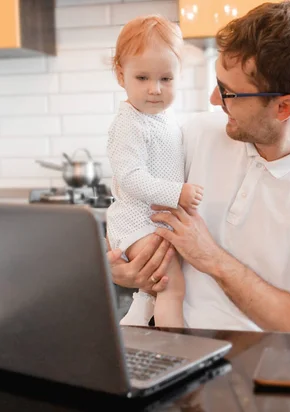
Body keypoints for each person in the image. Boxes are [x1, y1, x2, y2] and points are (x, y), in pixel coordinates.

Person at [107, 1, 290, 334]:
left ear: (283, 107)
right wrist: (119, 266)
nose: (214, 101)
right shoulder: (194, 133)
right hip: (159, 339)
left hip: (257, 361)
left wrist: (214, 259)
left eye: (229, 93)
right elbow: (129, 203)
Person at [105, 14, 203, 327]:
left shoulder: (166, 118)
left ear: (179, 75)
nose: (155, 89)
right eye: (142, 78)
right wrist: (178, 193)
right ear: (121, 76)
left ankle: (134, 328)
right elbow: (131, 178)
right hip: (135, 222)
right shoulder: (129, 123)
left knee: (152, 288)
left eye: (166, 79)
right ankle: (172, 351)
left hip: (152, 221)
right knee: (172, 287)